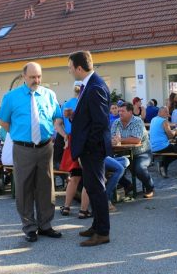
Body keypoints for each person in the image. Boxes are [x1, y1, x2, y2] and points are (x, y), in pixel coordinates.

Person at [0, 62, 65, 243]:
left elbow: (56, 117)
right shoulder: (11, 97)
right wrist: (19, 133)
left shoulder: (49, 95)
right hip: (23, 148)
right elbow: (3, 122)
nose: (36, 80)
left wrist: (58, 132)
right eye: (32, 77)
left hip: (45, 147)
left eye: (39, 76)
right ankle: (29, 227)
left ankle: (45, 225)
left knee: (46, 187)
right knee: (24, 188)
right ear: (24, 76)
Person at [67, 51, 112, 247]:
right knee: (93, 189)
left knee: (96, 189)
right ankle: (96, 225)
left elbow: (100, 122)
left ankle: (102, 232)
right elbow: (89, 117)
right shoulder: (89, 85)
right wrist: (73, 116)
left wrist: (88, 147)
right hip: (89, 148)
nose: (69, 71)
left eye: (70, 67)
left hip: (92, 149)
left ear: (79, 67)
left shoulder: (95, 87)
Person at [60, 84, 91, 219]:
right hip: (85, 140)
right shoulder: (87, 102)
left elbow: (59, 123)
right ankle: (83, 210)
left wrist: (65, 137)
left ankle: (66, 207)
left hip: (72, 140)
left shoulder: (67, 104)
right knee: (89, 177)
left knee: (74, 177)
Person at [112, 102, 155, 199]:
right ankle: (128, 185)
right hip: (123, 153)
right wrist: (115, 140)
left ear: (130, 112)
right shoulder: (116, 122)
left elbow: (136, 140)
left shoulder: (137, 121)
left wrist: (120, 140)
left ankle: (150, 188)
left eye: (122, 111)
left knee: (139, 168)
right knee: (112, 167)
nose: (120, 113)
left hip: (142, 152)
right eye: (119, 111)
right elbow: (112, 138)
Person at [149, 107, 177, 178]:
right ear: (159, 112)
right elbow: (170, 136)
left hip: (152, 147)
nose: (168, 114)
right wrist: (175, 132)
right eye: (166, 112)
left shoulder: (153, 119)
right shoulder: (164, 121)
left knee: (173, 147)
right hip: (162, 146)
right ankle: (163, 164)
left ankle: (163, 165)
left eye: (167, 112)